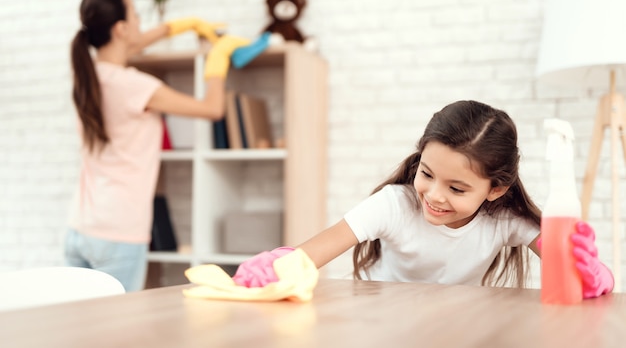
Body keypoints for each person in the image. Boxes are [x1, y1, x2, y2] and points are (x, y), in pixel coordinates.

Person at [232, 100, 614, 298]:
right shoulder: (394, 206)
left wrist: (596, 275)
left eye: (457, 188)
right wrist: (279, 264)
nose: (433, 195)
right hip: (376, 321)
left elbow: (574, 276)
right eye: (426, 173)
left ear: (495, 190)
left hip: (450, 326)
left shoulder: (506, 219)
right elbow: (310, 255)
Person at [65, 0, 267, 292]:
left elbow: (133, 44)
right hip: (119, 232)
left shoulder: (86, 74)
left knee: (77, 331)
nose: (139, 23)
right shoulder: (136, 86)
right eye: (134, 14)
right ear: (120, 29)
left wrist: (182, 25)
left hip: (80, 228)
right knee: (117, 334)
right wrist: (218, 60)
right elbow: (212, 109)